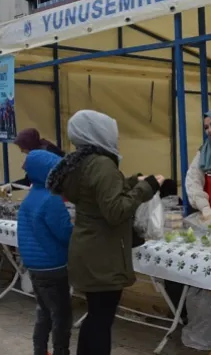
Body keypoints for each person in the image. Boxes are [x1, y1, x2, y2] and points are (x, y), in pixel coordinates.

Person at [46, 110, 163, 355]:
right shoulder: (102, 164)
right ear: (98, 132)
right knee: (101, 321)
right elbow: (116, 210)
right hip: (102, 256)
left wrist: (130, 181)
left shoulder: (81, 162)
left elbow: (98, 195)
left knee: (95, 318)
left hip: (88, 250)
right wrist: (147, 187)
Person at [17, 150, 73, 355]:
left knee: (44, 312)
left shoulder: (31, 196)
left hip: (35, 266)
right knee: (62, 316)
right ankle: (61, 351)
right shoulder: (51, 200)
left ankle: (39, 350)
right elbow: (65, 234)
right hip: (54, 266)